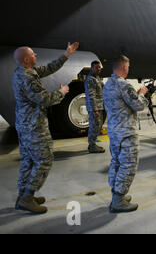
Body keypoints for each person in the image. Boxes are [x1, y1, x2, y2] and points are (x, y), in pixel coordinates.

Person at [13, 42, 79, 214]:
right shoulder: (28, 78)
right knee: (45, 160)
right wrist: (62, 92)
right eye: (33, 54)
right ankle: (27, 197)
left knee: (28, 161)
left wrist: (67, 55)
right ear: (27, 60)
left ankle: (23, 196)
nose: (36, 54)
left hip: (24, 124)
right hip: (34, 126)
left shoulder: (23, 72)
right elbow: (44, 99)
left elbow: (49, 68)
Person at [103, 55, 148, 213]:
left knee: (116, 162)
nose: (128, 70)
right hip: (127, 132)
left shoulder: (108, 83)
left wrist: (133, 94)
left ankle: (116, 193)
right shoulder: (124, 84)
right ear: (123, 67)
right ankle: (118, 200)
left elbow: (120, 103)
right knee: (128, 165)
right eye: (128, 67)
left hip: (114, 132)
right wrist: (142, 93)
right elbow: (139, 105)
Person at [85, 60, 106, 154]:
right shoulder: (90, 79)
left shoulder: (96, 77)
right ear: (92, 68)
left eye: (100, 67)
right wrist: (94, 109)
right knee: (94, 126)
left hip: (99, 106)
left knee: (98, 125)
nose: (99, 69)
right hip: (95, 108)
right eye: (97, 67)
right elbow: (91, 95)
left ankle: (92, 144)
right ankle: (92, 146)